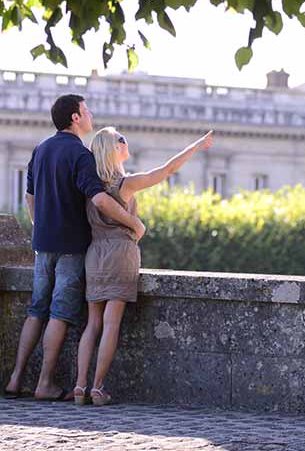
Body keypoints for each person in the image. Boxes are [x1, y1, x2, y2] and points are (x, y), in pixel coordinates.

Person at [4, 95, 146, 401]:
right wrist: (134, 223)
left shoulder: (40, 149)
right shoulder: (81, 155)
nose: (91, 114)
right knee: (59, 313)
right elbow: (100, 199)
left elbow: (29, 197)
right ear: (75, 118)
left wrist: (40, 226)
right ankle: (44, 383)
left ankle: (15, 379)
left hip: (43, 244)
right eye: (86, 110)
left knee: (36, 311)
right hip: (71, 245)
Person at [73, 127, 213, 405]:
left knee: (92, 324)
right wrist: (195, 146)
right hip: (120, 252)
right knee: (111, 324)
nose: (126, 142)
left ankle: (79, 387)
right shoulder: (124, 184)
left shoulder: (92, 188)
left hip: (94, 253)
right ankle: (98, 388)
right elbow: (166, 170)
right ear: (113, 150)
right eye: (121, 140)